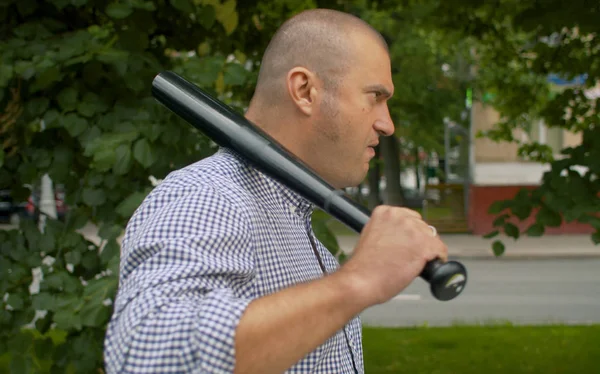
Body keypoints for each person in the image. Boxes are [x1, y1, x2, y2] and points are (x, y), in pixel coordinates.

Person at [103, 8, 448, 374]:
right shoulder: (210, 196)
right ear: (304, 91)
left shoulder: (293, 222)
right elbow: (149, 357)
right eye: (375, 96)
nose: (387, 123)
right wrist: (359, 280)